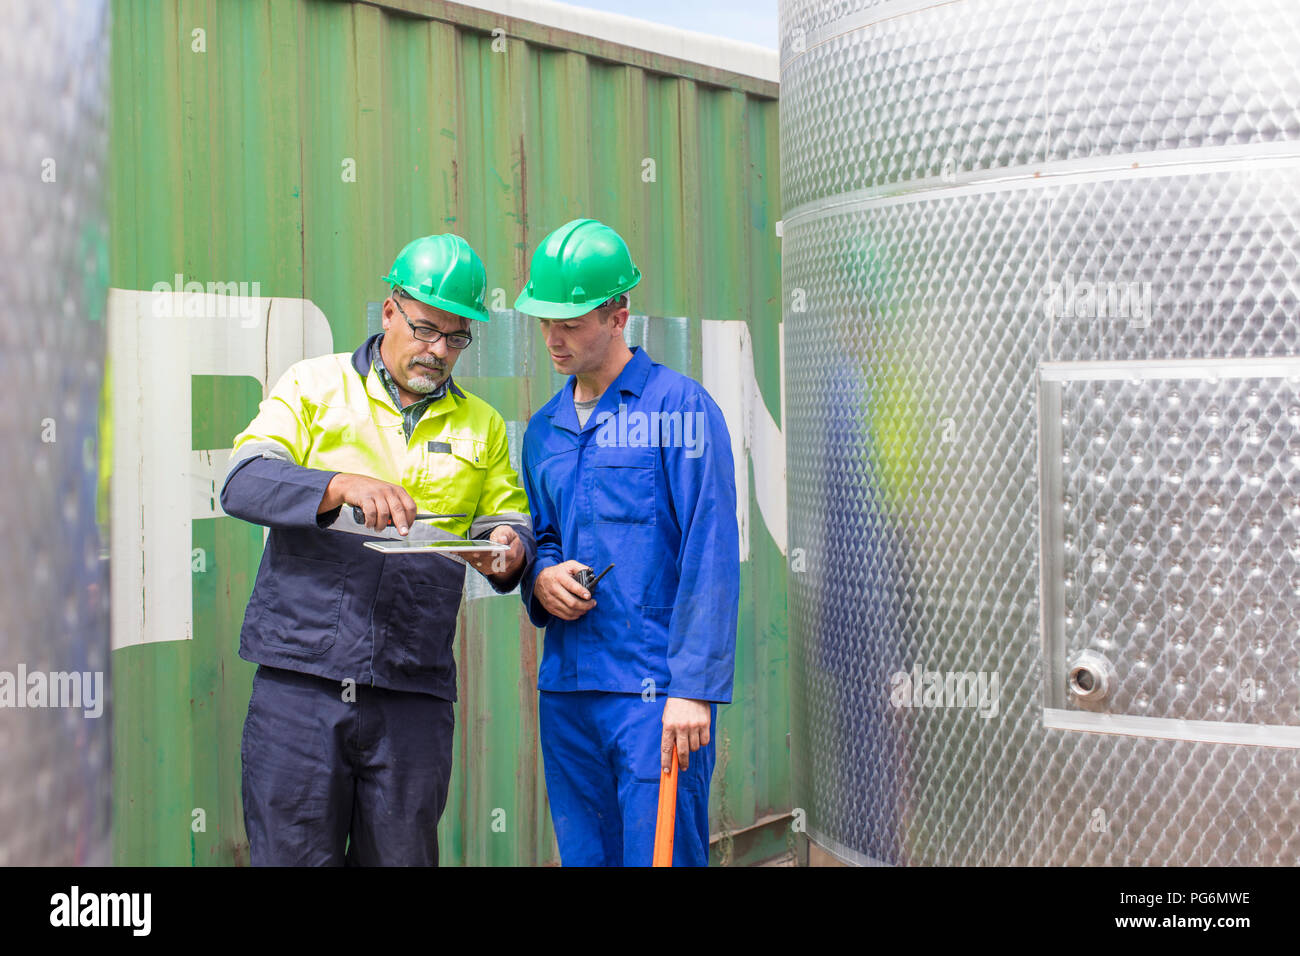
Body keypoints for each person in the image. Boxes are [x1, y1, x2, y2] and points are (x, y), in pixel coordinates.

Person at [220, 233, 533, 866]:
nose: (438, 351)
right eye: (425, 330)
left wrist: (507, 547)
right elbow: (242, 480)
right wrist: (338, 485)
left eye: (456, 338)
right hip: (301, 685)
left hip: (410, 691)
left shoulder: (483, 426)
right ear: (389, 310)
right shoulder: (314, 387)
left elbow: (508, 520)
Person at [515, 218, 739, 866]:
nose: (554, 339)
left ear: (619, 313)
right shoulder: (544, 430)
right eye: (544, 321)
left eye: (572, 322)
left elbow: (711, 553)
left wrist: (693, 688)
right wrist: (542, 577)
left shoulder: (680, 410)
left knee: (661, 855)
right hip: (569, 690)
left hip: (655, 693)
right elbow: (544, 533)